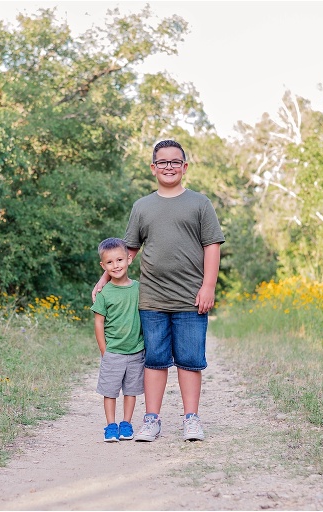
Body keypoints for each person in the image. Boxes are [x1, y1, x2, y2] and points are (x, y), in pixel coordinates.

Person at [92, 140, 224, 442]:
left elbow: (212, 246)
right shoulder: (142, 207)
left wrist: (208, 286)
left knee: (190, 360)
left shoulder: (200, 204)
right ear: (153, 168)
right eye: (162, 162)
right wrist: (103, 280)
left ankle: (191, 418)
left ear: (185, 167)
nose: (168, 167)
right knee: (154, 360)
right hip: (151, 299)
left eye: (175, 162)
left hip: (191, 299)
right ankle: (152, 419)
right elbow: (128, 252)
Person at [91, 237, 145, 442]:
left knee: (131, 390)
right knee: (110, 390)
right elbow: (98, 323)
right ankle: (111, 426)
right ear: (103, 266)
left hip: (136, 350)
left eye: (120, 260)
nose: (116, 265)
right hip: (113, 351)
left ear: (129, 259)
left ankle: (126, 423)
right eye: (110, 262)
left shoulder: (139, 288)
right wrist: (104, 350)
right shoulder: (104, 293)